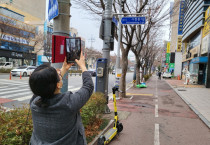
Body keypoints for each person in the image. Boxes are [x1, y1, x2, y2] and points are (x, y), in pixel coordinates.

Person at [29, 52, 94, 145]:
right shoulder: (69, 103)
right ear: (58, 84)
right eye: (58, 74)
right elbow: (88, 87)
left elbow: (44, 85)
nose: (59, 73)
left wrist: (63, 70)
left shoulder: (34, 103)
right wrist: (83, 66)